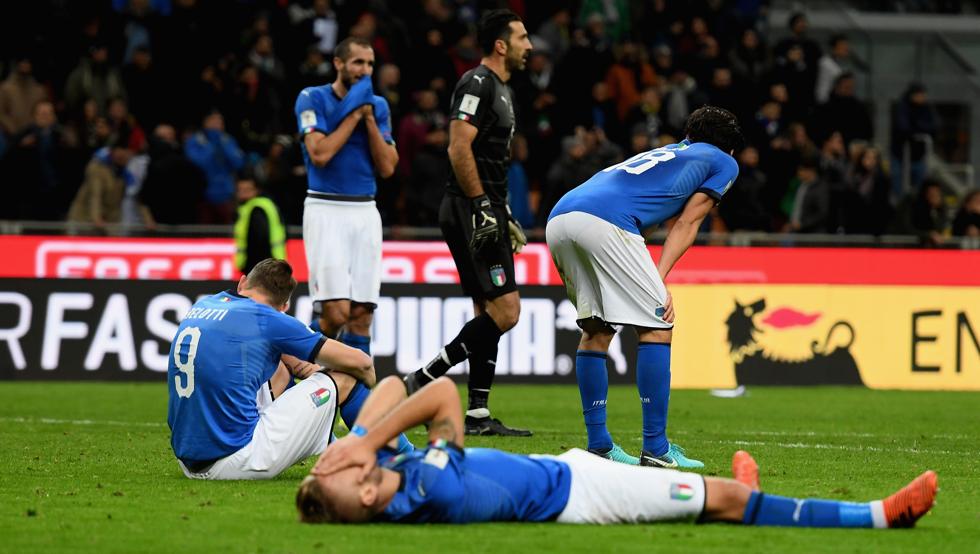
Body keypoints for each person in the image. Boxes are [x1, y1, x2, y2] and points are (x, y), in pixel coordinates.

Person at [297, 374, 937, 529]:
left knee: (723, 493)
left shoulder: (389, 473)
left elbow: (387, 385)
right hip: (585, 496)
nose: (350, 462)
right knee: (727, 500)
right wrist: (364, 443)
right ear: (366, 492)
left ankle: (741, 490)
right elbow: (439, 394)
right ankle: (880, 516)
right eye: (347, 472)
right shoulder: (426, 488)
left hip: (568, 469)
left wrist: (353, 442)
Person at [544, 106, 743, 468]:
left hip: (560, 218)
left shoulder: (668, 153)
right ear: (729, 147)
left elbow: (643, 219)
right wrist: (658, 280)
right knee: (657, 325)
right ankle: (656, 448)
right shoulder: (723, 162)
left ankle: (599, 445)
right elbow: (687, 223)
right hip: (606, 222)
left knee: (596, 329)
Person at [400, 9, 533, 437]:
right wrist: (480, 204)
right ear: (501, 45)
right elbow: (458, 147)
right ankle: (422, 379)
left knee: (488, 312)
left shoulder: (503, 89)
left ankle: (477, 413)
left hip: (486, 206)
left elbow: (489, 160)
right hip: (468, 207)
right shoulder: (477, 82)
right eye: (522, 38)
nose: (529, 46)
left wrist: (502, 210)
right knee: (507, 311)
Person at [167, 259, 377, 480]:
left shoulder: (205, 304)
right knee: (346, 378)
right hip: (237, 458)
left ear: (242, 283)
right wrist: (365, 381)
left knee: (278, 365)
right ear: (283, 307)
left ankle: (327, 440)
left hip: (188, 462)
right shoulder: (268, 319)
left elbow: (284, 356)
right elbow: (362, 363)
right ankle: (391, 455)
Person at [294, 36, 400, 445]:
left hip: (365, 210)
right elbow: (320, 154)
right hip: (325, 207)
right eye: (357, 63)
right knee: (335, 313)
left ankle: (362, 420)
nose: (364, 71)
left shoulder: (379, 107)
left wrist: (369, 119)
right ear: (338, 63)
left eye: (370, 64)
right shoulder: (312, 98)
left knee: (361, 315)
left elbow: (388, 167)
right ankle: (292, 383)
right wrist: (354, 114)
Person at [234, 176, 286, 275]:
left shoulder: (256, 210)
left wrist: (254, 268)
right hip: (272, 263)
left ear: (256, 190)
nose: (243, 193)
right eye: (240, 190)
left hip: (261, 265)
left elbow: (259, 239)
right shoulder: (265, 204)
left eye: (247, 190)